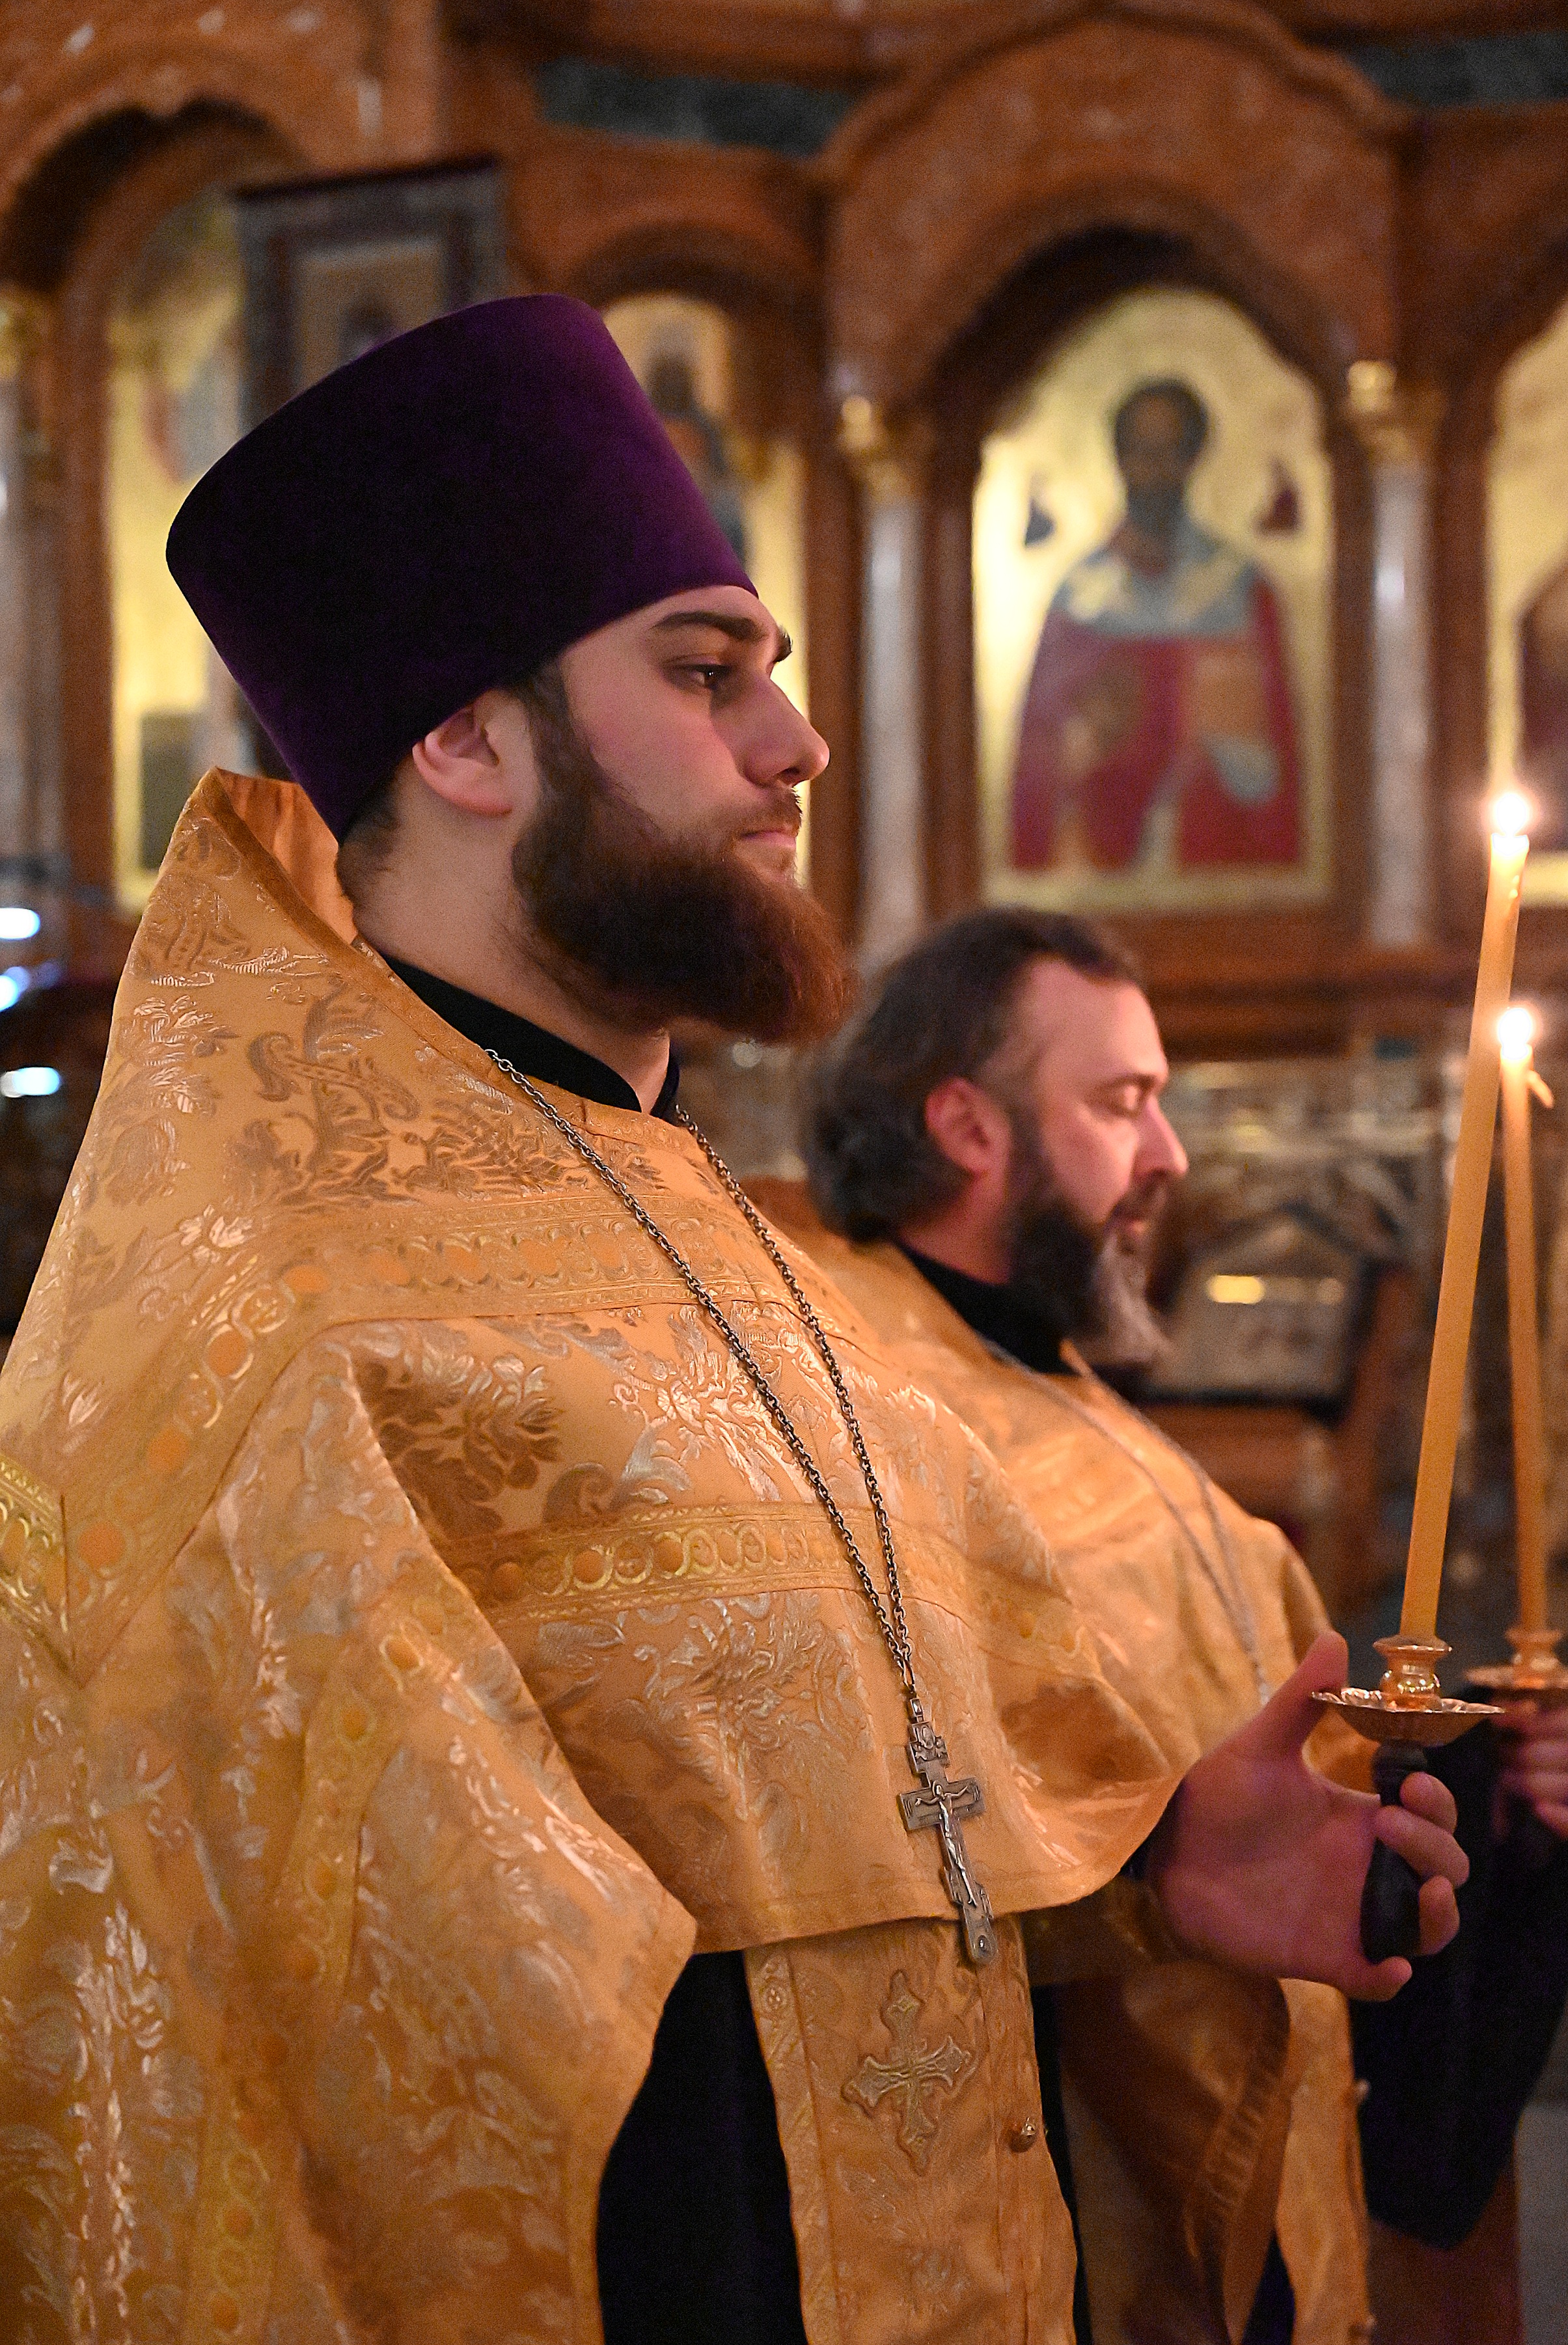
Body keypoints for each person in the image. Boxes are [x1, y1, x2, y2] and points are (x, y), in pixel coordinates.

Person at [0, 302, 1464, 2342]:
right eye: (704, 674)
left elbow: (858, 1839)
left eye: (767, 670)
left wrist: (1148, 1876)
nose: (796, 742)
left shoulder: (733, 1243)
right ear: (465, 740)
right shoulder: (279, 1329)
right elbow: (332, 2075)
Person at [770, 905, 1568, 2345]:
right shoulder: (847, 1399)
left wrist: (1490, 1809)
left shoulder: (1096, 1415)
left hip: (1249, 2175)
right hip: (1049, 2222)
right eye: (1120, 1100)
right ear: (966, 1123)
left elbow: (1306, 1805)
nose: (1169, 1157)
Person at [1010, 379, 1300, 875]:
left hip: (1216, 848)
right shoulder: (1079, 598)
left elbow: (1277, 761)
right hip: (1102, 849)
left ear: (1193, 460)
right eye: (1140, 453)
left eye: (1171, 453)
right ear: (1119, 460)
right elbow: (1040, 765)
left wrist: (1230, 746)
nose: (1155, 472)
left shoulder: (1239, 590)